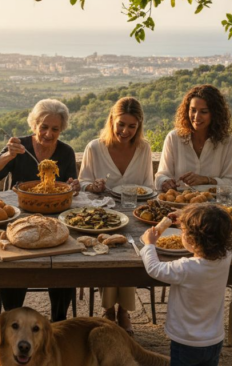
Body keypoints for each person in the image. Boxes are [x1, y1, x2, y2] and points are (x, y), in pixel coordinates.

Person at [0, 98, 80, 322]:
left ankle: (59, 322)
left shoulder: (65, 152)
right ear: (34, 125)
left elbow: (69, 184)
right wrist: (8, 155)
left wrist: (74, 185)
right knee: (14, 266)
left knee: (65, 267)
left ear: (61, 129)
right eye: (43, 127)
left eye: (55, 129)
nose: (48, 133)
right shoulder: (20, 147)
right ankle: (13, 318)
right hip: (21, 216)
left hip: (55, 216)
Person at [79, 97, 152, 335]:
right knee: (108, 250)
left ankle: (121, 311)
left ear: (139, 126)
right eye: (121, 124)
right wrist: (93, 186)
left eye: (132, 126)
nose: (125, 131)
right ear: (112, 120)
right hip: (101, 215)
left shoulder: (143, 148)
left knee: (131, 253)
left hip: (134, 214)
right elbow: (82, 184)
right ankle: (112, 310)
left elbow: (149, 186)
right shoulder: (95, 147)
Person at [140, 204, 232, 366]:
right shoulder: (226, 257)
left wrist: (149, 245)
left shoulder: (185, 267)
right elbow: (216, 227)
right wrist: (185, 216)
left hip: (186, 342)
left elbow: (154, 269)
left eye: (183, 231)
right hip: (214, 339)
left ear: (190, 240)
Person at [155, 84, 232, 192]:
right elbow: (160, 176)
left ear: (215, 114)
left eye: (204, 112)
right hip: (180, 205)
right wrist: (165, 182)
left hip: (214, 206)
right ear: (186, 110)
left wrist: (206, 180)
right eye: (193, 110)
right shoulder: (173, 138)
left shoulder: (227, 142)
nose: (196, 116)